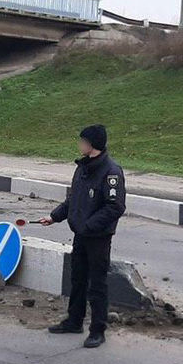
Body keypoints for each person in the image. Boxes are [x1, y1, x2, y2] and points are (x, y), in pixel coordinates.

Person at [39, 125, 126, 348]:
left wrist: (89, 226)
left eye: (82, 141)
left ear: (92, 144)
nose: (79, 144)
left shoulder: (111, 172)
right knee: (77, 279)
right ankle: (74, 321)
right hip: (81, 234)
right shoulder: (82, 168)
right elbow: (73, 200)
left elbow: (115, 207)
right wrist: (54, 217)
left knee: (97, 284)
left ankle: (97, 330)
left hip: (98, 238)